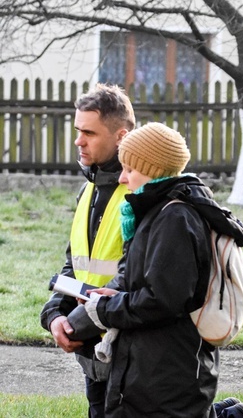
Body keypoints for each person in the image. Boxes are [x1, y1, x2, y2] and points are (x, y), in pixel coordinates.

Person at [65, 122, 243, 417]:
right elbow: (135, 277)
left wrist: (105, 309)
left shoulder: (175, 218)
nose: (123, 178)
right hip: (149, 366)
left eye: (130, 169)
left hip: (169, 371)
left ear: (153, 170)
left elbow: (164, 299)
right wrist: (110, 293)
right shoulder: (150, 213)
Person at [40, 83, 135, 417]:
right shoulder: (88, 189)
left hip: (129, 351)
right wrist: (54, 316)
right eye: (78, 130)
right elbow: (75, 266)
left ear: (121, 136)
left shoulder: (139, 194)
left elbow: (134, 276)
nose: (78, 140)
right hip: (93, 349)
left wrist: (76, 324)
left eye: (89, 133)